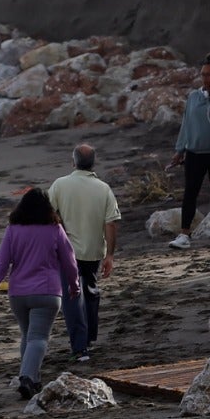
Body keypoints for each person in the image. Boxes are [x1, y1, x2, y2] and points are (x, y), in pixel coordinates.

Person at [0, 188, 80, 399]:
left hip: (18, 293)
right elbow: (69, 260)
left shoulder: (13, 229)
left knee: (27, 336)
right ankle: (27, 377)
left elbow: (1, 262)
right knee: (38, 338)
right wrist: (74, 285)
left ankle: (32, 380)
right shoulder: (54, 229)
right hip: (47, 292)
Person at [48, 144, 121, 364]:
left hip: (66, 250)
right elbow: (111, 224)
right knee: (90, 290)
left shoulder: (60, 185)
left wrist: (58, 222)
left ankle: (80, 348)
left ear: (73, 162)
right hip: (93, 250)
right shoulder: (103, 188)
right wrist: (110, 254)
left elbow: (47, 212)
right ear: (93, 164)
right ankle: (88, 338)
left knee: (72, 297)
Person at [168, 51, 210, 249]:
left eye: (209, 75)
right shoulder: (193, 97)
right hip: (195, 153)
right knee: (190, 192)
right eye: (203, 74)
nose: (205, 78)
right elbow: (186, 124)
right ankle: (184, 235)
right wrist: (179, 150)